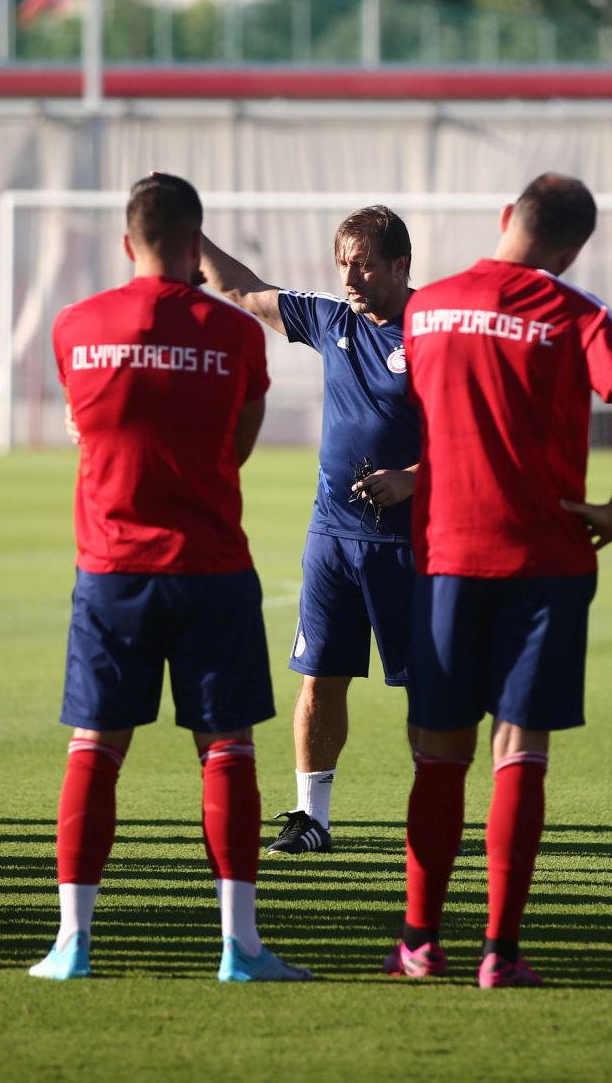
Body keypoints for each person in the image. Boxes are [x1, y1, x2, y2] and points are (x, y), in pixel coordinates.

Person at [388, 173, 612, 989]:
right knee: (519, 753)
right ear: (574, 247)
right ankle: (500, 954)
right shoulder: (576, 314)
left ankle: (418, 943)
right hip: (543, 563)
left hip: (445, 557)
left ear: (507, 217)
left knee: (439, 759)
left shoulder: (430, 304)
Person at [31, 172, 309, 984]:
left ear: (128, 243)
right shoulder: (236, 336)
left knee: (95, 746)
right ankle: (240, 947)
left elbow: (85, 423)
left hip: (111, 569)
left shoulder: (74, 325)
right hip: (211, 566)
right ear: (197, 245)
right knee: (226, 749)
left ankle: (72, 944)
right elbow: (240, 439)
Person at [198, 206, 422, 855]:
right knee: (320, 676)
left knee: (427, 687)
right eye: (343, 263)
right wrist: (191, 236)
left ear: (401, 265)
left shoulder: (434, 330)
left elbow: (476, 433)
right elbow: (240, 287)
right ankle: (310, 816)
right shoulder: (330, 319)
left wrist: (413, 476)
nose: (350, 277)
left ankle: (432, 810)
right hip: (333, 538)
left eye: (366, 264)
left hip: (411, 544)